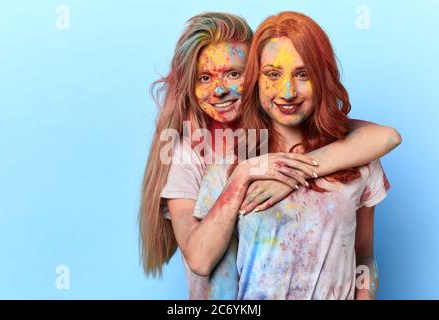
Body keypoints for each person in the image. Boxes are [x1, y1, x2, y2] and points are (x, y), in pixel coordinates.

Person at [139, 12, 402, 299]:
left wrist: (296, 172)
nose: (220, 89)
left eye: (234, 74)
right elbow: (204, 262)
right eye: (204, 77)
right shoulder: (204, 159)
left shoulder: (350, 151)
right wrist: (242, 175)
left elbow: (385, 138)